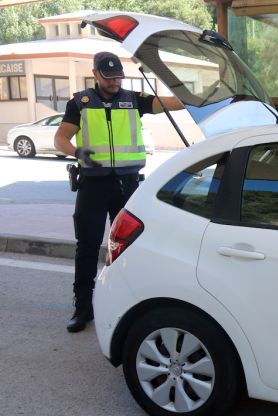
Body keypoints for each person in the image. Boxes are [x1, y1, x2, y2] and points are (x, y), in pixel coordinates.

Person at [54, 51, 183, 333]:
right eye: (109, 77)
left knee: (131, 247)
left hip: (127, 186)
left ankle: (130, 307)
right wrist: (77, 152)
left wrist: (194, 93)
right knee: (87, 246)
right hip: (93, 184)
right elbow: (60, 137)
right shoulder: (80, 103)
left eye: (118, 77)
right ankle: (82, 308)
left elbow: (174, 103)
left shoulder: (134, 99)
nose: (115, 82)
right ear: (96, 74)